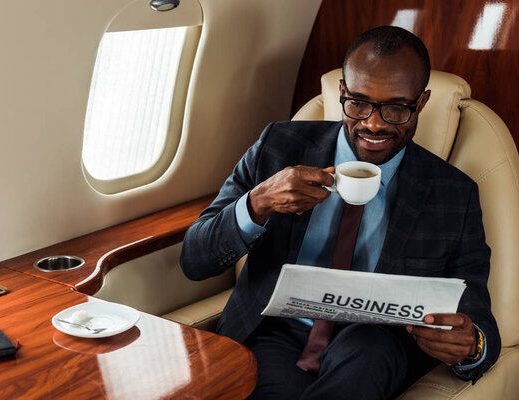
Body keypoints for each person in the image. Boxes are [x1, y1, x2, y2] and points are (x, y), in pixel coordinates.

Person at [180, 26, 500, 399]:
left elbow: (477, 314)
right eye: (358, 103)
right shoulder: (278, 146)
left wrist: (473, 346)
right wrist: (258, 202)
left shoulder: (454, 194)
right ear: (342, 93)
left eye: (396, 108)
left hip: (377, 344)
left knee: (368, 352)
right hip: (277, 333)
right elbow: (194, 260)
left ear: (421, 103)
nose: (373, 124)